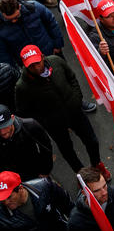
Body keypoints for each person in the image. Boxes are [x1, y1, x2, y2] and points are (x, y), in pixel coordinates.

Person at [14, 45, 107, 177]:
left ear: (42, 57)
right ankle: (82, 175)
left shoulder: (56, 61)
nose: (36, 67)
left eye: (37, 63)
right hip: (54, 124)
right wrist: (45, 121)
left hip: (75, 112)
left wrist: (76, 100)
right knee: (68, 150)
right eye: (31, 66)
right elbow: (24, 112)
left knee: (92, 141)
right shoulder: (22, 86)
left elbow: (72, 78)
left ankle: (97, 164)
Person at [0, 170, 73, 231]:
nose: (6, 202)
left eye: (9, 197)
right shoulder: (1, 216)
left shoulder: (45, 186)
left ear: (20, 189)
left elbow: (69, 206)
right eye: (2, 199)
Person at [0, 0, 63, 66]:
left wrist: (57, 44)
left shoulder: (34, 8)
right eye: (9, 19)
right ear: (2, 13)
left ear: (19, 6)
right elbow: (3, 53)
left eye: (16, 17)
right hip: (29, 66)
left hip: (51, 54)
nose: (14, 21)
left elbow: (51, 24)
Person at [0, 104, 53, 181]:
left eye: (5, 126)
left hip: (38, 173)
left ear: (12, 118)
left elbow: (46, 148)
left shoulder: (30, 126)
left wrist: (46, 170)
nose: (2, 132)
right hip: (15, 181)